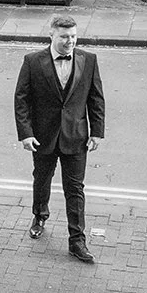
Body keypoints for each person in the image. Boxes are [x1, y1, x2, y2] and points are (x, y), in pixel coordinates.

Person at [14, 14, 107, 263]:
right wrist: (26, 133)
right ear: (52, 36)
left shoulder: (88, 60)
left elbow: (96, 98)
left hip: (76, 136)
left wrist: (97, 131)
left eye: (74, 37)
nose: (70, 42)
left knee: (75, 189)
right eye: (64, 37)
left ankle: (77, 240)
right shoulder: (33, 61)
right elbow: (21, 100)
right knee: (41, 179)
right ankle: (40, 215)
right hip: (43, 136)